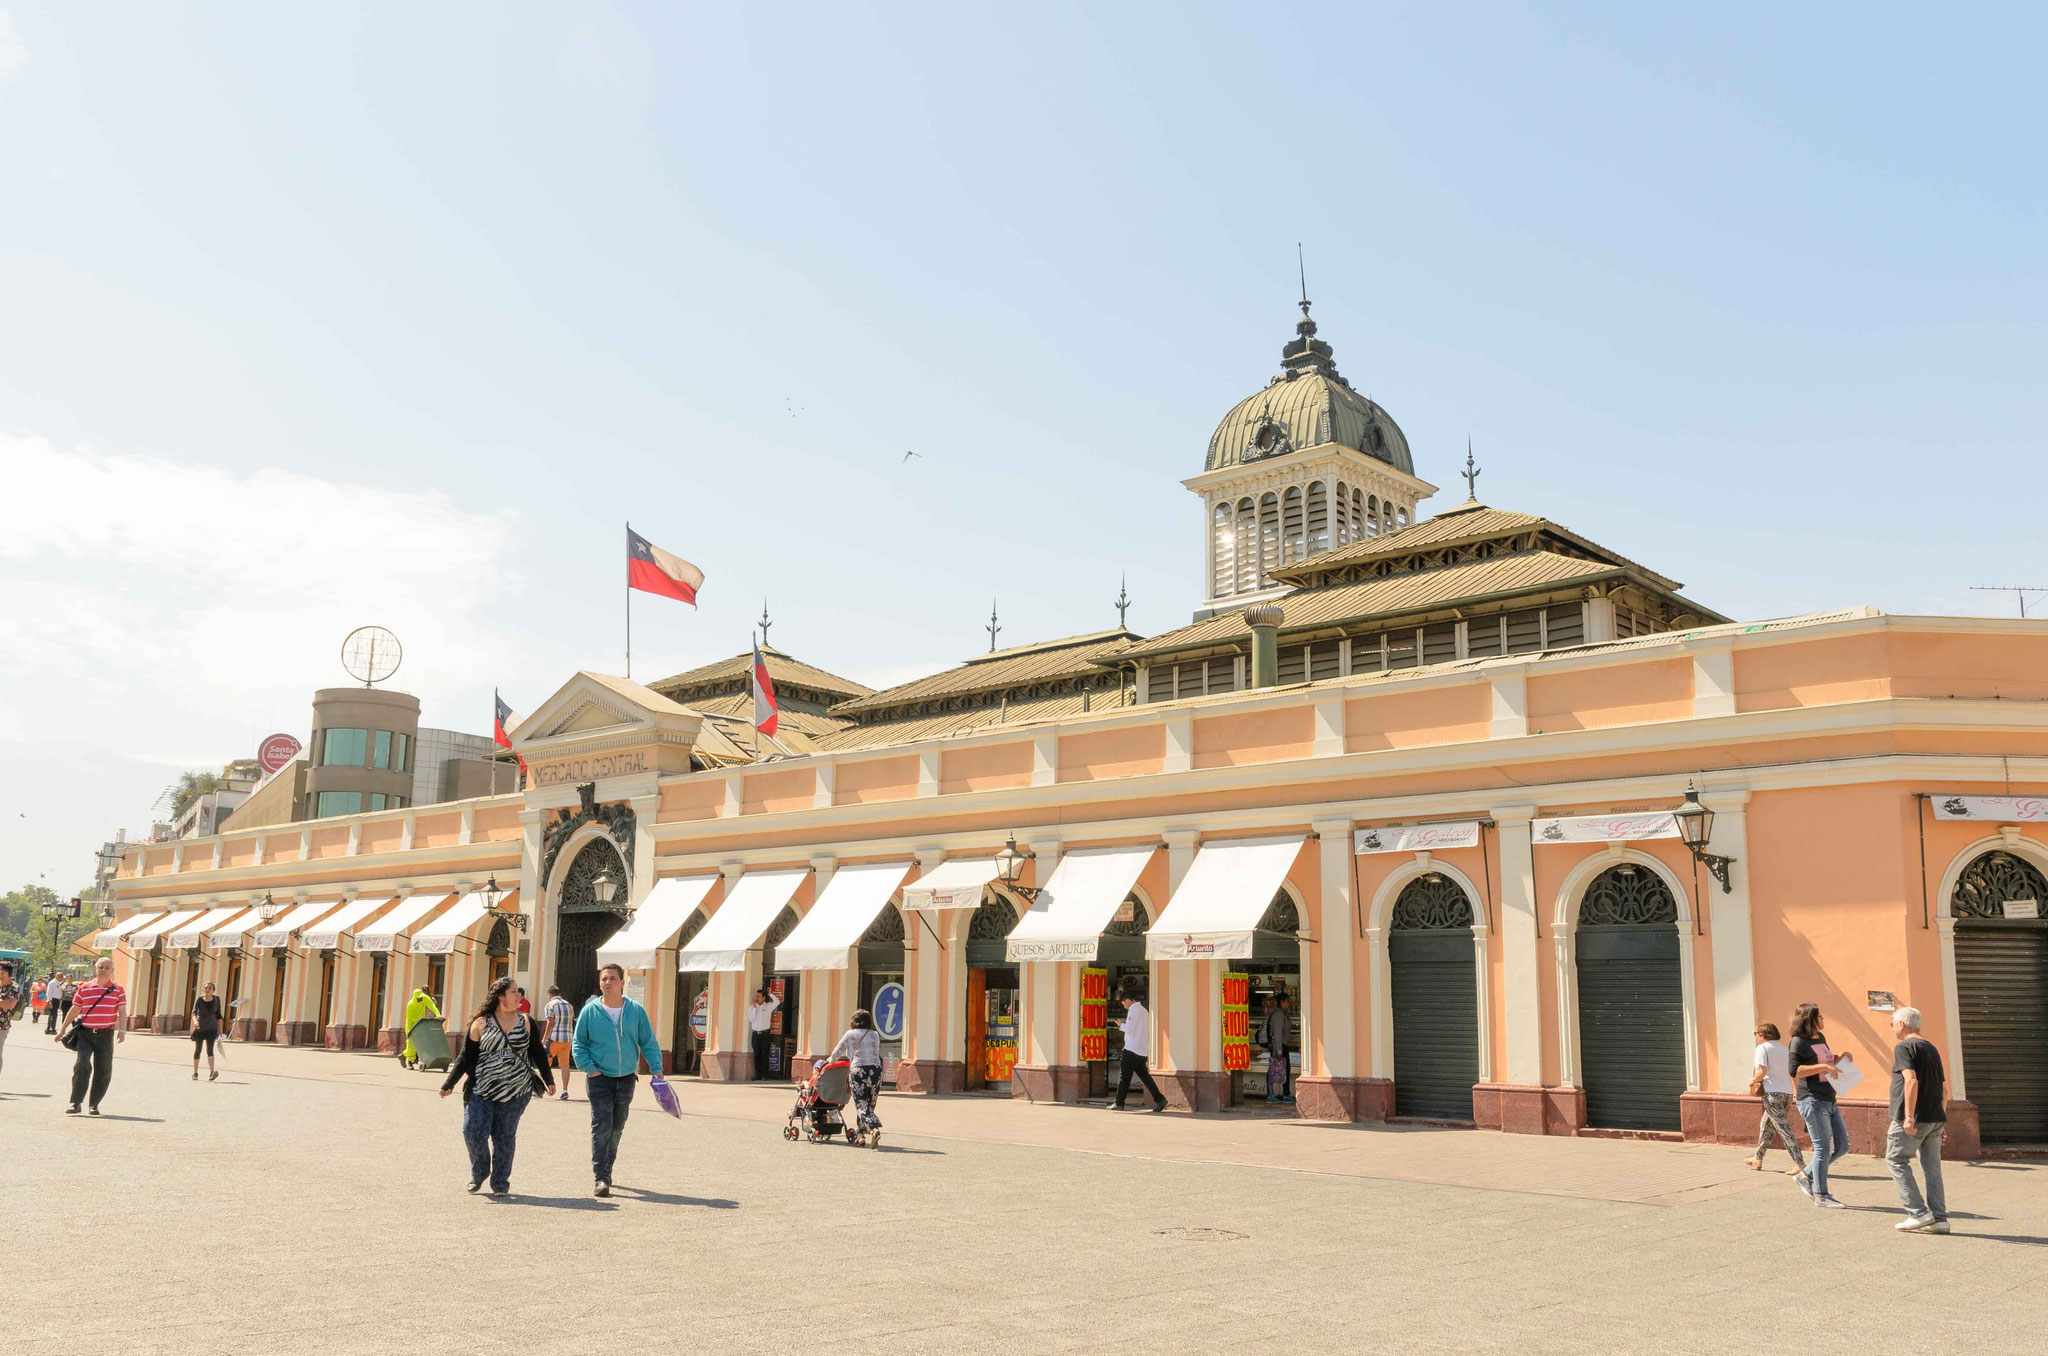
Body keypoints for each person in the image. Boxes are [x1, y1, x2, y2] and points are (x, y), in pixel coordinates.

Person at [440, 976, 553, 1196]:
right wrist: (449, 1083)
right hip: (482, 1089)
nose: (518, 995)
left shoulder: (526, 1021)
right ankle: (480, 1171)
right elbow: (465, 1057)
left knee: (504, 1136)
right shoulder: (481, 1022)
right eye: (513, 992)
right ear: (500, 996)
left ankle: (500, 1182)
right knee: (472, 1130)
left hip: (516, 1090)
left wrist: (549, 1079)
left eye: (518, 991)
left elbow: (537, 1052)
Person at [571, 962, 663, 1198]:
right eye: (604, 979)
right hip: (599, 1078)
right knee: (601, 1126)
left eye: (612, 978)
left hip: (626, 1079)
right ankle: (601, 1177)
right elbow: (579, 1044)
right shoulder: (590, 1011)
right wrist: (590, 1069)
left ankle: (607, 1169)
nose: (607, 982)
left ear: (622, 982)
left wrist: (656, 1068)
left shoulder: (636, 1011)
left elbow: (648, 1041)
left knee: (616, 1128)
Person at [1886, 1005, 1949, 1234]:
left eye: (1892, 1023)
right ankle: (1940, 1219)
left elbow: (1911, 1081)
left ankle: (1918, 1213)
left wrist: (1909, 1117)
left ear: (1901, 1024)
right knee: (1932, 1168)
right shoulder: (1931, 1048)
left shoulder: (1904, 1046)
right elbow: (1945, 1090)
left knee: (1896, 1159)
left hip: (1914, 1117)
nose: (1892, 1027)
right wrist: (1941, 1120)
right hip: (1935, 1118)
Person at [1788, 1003, 1851, 1208]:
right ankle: (1821, 1195)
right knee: (1823, 1149)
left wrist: (1841, 1058)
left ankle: (1805, 1174)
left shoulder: (1820, 1038)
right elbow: (1794, 1071)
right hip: (1812, 1100)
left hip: (1829, 1098)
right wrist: (1822, 1066)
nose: (1823, 1020)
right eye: (1820, 1016)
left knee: (1842, 1146)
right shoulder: (1797, 1042)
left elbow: (1828, 1062)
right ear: (1810, 1019)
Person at [60, 956, 126, 1116]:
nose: (102, 970)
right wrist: (62, 1030)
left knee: (103, 1070)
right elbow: (75, 1009)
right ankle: (75, 1103)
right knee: (81, 1065)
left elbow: (122, 1012)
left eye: (106, 968)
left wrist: (122, 1031)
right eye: (100, 967)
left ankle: (94, 1104)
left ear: (112, 971)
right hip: (85, 1033)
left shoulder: (118, 989)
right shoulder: (84, 988)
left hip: (105, 1034)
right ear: (96, 969)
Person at [1742, 1022, 1805, 1174]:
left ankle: (1800, 1163)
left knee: (1784, 1129)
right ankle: (1758, 1158)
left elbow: (1762, 1071)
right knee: (1766, 1126)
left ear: (1762, 1034)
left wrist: (1753, 1080)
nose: (1755, 1037)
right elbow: (1792, 1071)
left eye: (1755, 1033)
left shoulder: (1762, 1048)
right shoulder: (1784, 1049)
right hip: (1786, 1093)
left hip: (1772, 1094)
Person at [826, 1008, 885, 1143]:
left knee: (862, 1105)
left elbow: (838, 1050)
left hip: (859, 1071)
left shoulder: (850, 1034)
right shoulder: (875, 1034)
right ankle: (860, 1136)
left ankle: (874, 1128)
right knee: (869, 1104)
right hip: (876, 1071)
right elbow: (875, 1051)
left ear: (854, 1021)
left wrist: (831, 1060)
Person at [1110, 982, 1168, 1113]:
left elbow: (1130, 1029)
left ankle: (1119, 1103)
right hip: (1142, 1050)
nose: (1124, 1006)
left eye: (1124, 1003)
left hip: (1131, 1049)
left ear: (1129, 1000)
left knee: (1124, 1077)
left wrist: (1120, 1025)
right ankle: (1160, 1099)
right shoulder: (1144, 1010)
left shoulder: (1133, 1010)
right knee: (1145, 1077)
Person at [542, 985, 576, 1101]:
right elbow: (571, 1021)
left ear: (549, 995)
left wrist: (544, 1039)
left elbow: (550, 1023)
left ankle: (542, 1088)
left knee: (545, 1063)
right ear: (559, 994)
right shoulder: (569, 1005)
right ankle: (565, 1090)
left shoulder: (550, 1005)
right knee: (565, 1065)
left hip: (554, 1039)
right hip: (567, 1039)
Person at [1261, 990, 1293, 1104]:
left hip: (1281, 1045)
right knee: (1274, 1069)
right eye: (1287, 1001)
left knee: (1285, 1068)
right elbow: (1278, 1033)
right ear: (1282, 1002)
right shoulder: (1279, 1014)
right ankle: (1271, 1094)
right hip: (1277, 1045)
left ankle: (1286, 1093)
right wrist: (1279, 1051)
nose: (1289, 1003)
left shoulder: (1283, 1013)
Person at [190, 981, 224, 1081]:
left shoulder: (216, 999)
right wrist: (195, 1021)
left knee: (210, 1050)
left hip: (212, 1028)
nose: (207, 989)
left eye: (209, 988)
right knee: (198, 1050)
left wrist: (220, 1028)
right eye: (206, 988)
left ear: (213, 990)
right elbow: (193, 1012)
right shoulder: (199, 1000)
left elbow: (218, 1015)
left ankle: (212, 1072)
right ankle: (195, 1073)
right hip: (200, 1028)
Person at [402, 986, 440, 1068]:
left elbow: (432, 1006)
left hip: (422, 1024)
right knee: (411, 1043)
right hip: (412, 1025)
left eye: (421, 998)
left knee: (423, 1042)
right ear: (414, 998)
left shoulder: (425, 998)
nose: (420, 1000)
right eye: (418, 999)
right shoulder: (410, 1005)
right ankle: (409, 1061)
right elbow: (408, 1020)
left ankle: (405, 1056)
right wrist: (409, 1031)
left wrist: (438, 1015)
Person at [748, 987, 782, 1080]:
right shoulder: (751, 1007)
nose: (756, 998)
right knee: (756, 1055)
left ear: (763, 998)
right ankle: (757, 1074)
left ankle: (764, 1075)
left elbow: (777, 1002)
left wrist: (770, 994)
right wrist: (755, 1008)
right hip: (755, 1034)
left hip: (765, 1034)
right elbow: (751, 1019)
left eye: (759, 996)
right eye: (756, 996)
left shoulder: (768, 1006)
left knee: (764, 1054)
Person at [0, 961, 21, 1077]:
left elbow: (10, 1004)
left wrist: (3, 1003)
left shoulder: (14, 988)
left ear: (5, 973)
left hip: (2, 1025)